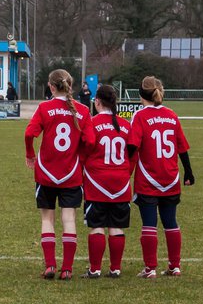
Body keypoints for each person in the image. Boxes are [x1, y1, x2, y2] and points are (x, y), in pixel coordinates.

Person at [24, 68, 95, 281]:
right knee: (69, 220)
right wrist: (80, 159)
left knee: (47, 219)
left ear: (51, 87)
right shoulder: (82, 110)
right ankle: (67, 268)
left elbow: (29, 133)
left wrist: (30, 155)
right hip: (71, 173)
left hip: (46, 172)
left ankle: (50, 265)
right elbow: (90, 142)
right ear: (70, 86)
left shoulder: (45, 107)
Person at [127, 75, 195, 278]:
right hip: (171, 178)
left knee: (149, 223)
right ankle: (175, 266)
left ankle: (150, 268)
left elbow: (132, 145)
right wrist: (189, 172)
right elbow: (182, 148)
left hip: (149, 178)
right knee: (171, 222)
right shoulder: (171, 115)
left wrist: (123, 170)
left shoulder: (139, 116)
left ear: (141, 94)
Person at [81, 84, 133, 279]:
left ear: (97, 102)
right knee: (116, 226)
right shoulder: (126, 124)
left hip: (96, 182)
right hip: (120, 182)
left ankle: (95, 269)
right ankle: (115, 268)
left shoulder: (91, 123)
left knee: (97, 226)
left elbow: (85, 150)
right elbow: (132, 153)